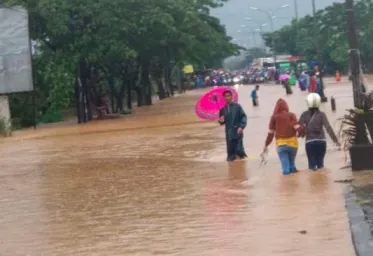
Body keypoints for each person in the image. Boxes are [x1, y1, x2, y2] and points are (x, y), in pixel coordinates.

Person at [298, 93, 340, 171]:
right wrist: (335, 140)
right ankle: (322, 180)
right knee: (321, 165)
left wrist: (303, 133)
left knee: (312, 166)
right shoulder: (322, 114)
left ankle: (314, 182)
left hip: (310, 142)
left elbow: (299, 130)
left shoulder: (304, 115)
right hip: (321, 142)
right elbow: (328, 128)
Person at [264, 98, 300, 175]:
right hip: (293, 145)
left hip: (281, 145)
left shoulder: (274, 117)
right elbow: (298, 128)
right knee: (292, 166)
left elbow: (270, 134)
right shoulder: (291, 115)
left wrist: (266, 144)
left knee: (286, 170)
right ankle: (295, 184)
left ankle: (286, 184)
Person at [219, 90, 247, 162]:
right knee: (230, 155)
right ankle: (232, 169)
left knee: (239, 151)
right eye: (225, 96)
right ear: (223, 98)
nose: (227, 97)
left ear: (232, 97)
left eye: (228, 96)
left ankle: (240, 168)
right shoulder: (222, 109)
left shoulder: (237, 107)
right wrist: (221, 120)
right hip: (229, 134)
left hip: (237, 132)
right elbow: (222, 122)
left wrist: (241, 127)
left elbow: (243, 117)